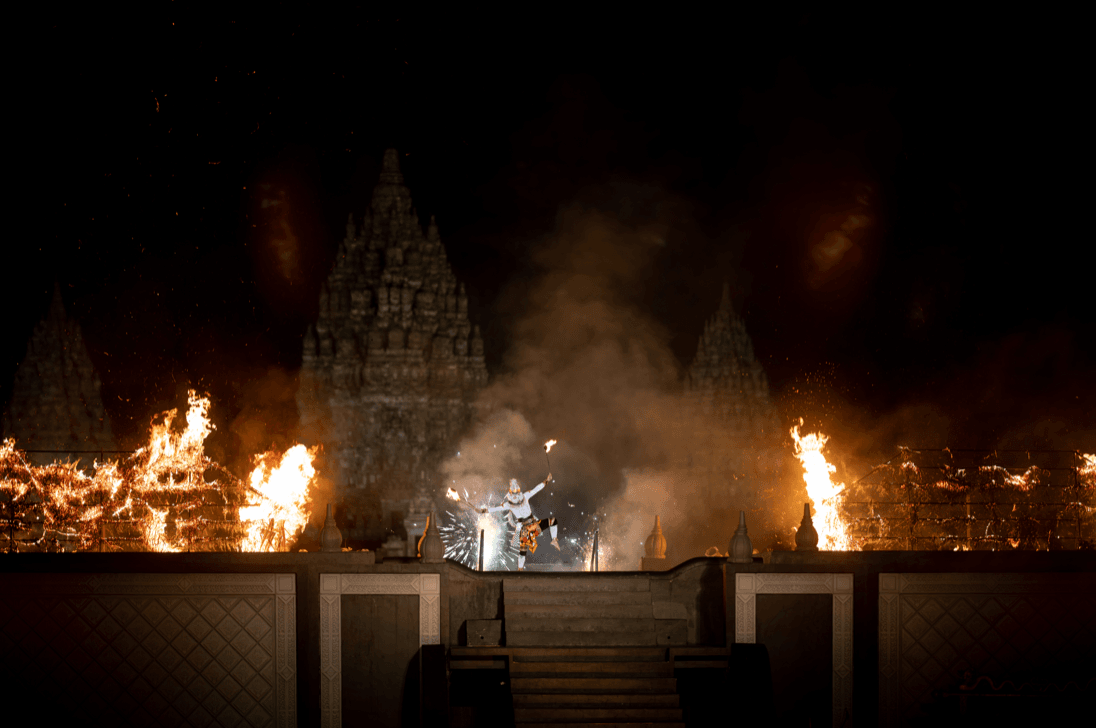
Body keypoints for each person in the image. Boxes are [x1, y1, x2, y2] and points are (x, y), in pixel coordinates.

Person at [480, 474, 559, 570]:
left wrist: (546, 480)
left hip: (534, 525)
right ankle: (520, 570)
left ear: (519, 493)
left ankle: (554, 539)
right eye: (514, 495)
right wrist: (485, 510)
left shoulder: (525, 496)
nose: (516, 497)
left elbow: (537, 489)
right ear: (510, 495)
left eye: (517, 494)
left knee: (553, 521)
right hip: (524, 529)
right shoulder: (508, 504)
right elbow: (496, 508)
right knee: (522, 552)